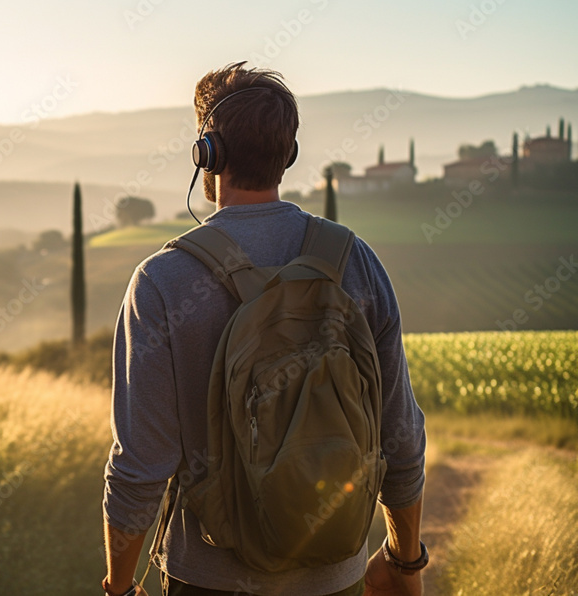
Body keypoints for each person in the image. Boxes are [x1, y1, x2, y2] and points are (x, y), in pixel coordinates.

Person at [101, 62, 428, 596]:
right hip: (335, 578)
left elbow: (140, 466)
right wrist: (403, 562)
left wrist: (119, 587)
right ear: (289, 154)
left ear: (207, 153)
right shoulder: (356, 262)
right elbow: (402, 437)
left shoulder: (162, 281)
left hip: (207, 580)